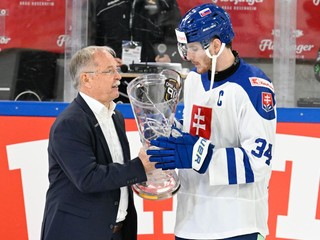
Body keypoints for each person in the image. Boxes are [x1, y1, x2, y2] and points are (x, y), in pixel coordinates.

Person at [147, 3, 277, 240]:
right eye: (185, 48)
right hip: (190, 221)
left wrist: (200, 155)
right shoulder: (194, 81)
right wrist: (167, 131)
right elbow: (194, 132)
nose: (187, 56)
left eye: (194, 48)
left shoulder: (254, 87)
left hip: (237, 225)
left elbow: (259, 162)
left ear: (216, 45)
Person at [40, 45, 155, 240]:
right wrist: (139, 167)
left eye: (117, 70)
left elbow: (116, 171)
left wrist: (145, 176)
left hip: (116, 232)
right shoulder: (70, 123)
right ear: (86, 79)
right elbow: (88, 178)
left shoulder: (115, 116)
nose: (118, 77)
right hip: (78, 233)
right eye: (109, 71)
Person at [88, 0, 182, 64]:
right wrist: (103, 59)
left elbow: (176, 35)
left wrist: (169, 56)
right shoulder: (101, 3)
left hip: (152, 74)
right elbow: (90, 37)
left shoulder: (163, 2)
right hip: (112, 71)